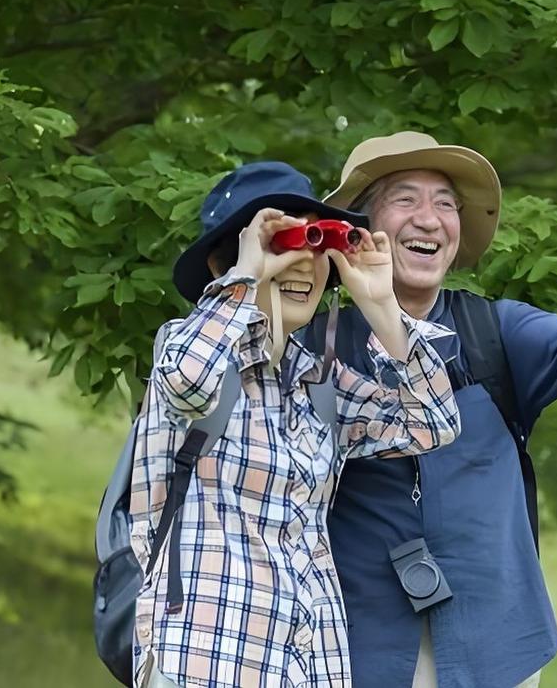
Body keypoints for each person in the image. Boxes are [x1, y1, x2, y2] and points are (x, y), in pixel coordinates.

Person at [314, 133, 557, 688]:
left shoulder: (493, 329)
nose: (429, 220)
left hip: (496, 645)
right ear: (360, 225)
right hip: (355, 643)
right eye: (405, 200)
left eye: (446, 204)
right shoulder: (317, 343)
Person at [128, 160, 461, 688]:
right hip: (206, 654)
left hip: (308, 661)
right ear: (226, 263)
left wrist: (379, 304)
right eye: (285, 241)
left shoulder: (320, 383)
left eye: (317, 244)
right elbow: (190, 382)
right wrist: (247, 275)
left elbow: (431, 424)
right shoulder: (188, 344)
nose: (306, 262)